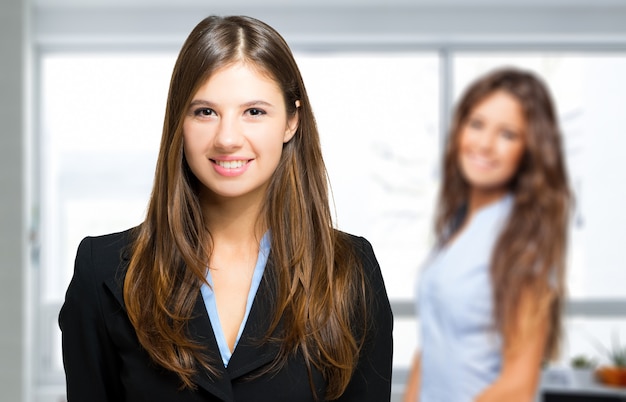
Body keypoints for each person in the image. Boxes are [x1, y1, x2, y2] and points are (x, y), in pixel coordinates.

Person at [59, 15, 393, 402]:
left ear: (291, 121)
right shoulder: (104, 271)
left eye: (254, 111)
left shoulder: (350, 271)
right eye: (205, 112)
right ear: (178, 122)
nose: (228, 138)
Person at [403, 67, 571, 401]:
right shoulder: (456, 228)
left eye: (507, 134)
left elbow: (518, 386)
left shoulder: (521, 241)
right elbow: (434, 345)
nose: (485, 144)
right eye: (476, 124)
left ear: (529, 150)